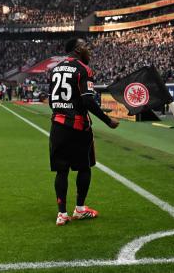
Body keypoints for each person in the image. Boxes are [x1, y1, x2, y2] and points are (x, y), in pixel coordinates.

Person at [48, 38, 119, 226]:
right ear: (78, 50)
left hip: (57, 125)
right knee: (84, 167)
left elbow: (51, 101)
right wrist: (107, 120)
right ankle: (80, 210)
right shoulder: (83, 69)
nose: (89, 50)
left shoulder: (55, 69)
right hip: (78, 126)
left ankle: (61, 214)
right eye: (86, 47)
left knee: (61, 171)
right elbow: (87, 101)